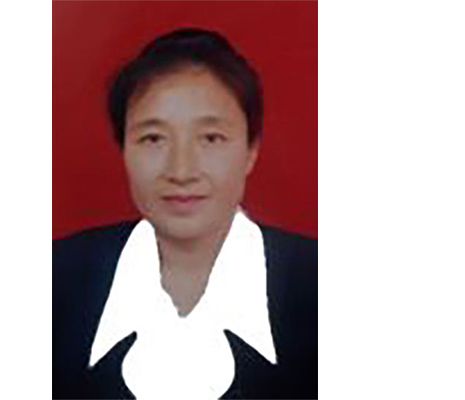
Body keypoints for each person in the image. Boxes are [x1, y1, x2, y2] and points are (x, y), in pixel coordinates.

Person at [53, 28, 317, 399]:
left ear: (251, 150)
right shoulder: (53, 282)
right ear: (123, 149)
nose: (181, 170)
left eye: (210, 138)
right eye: (153, 139)